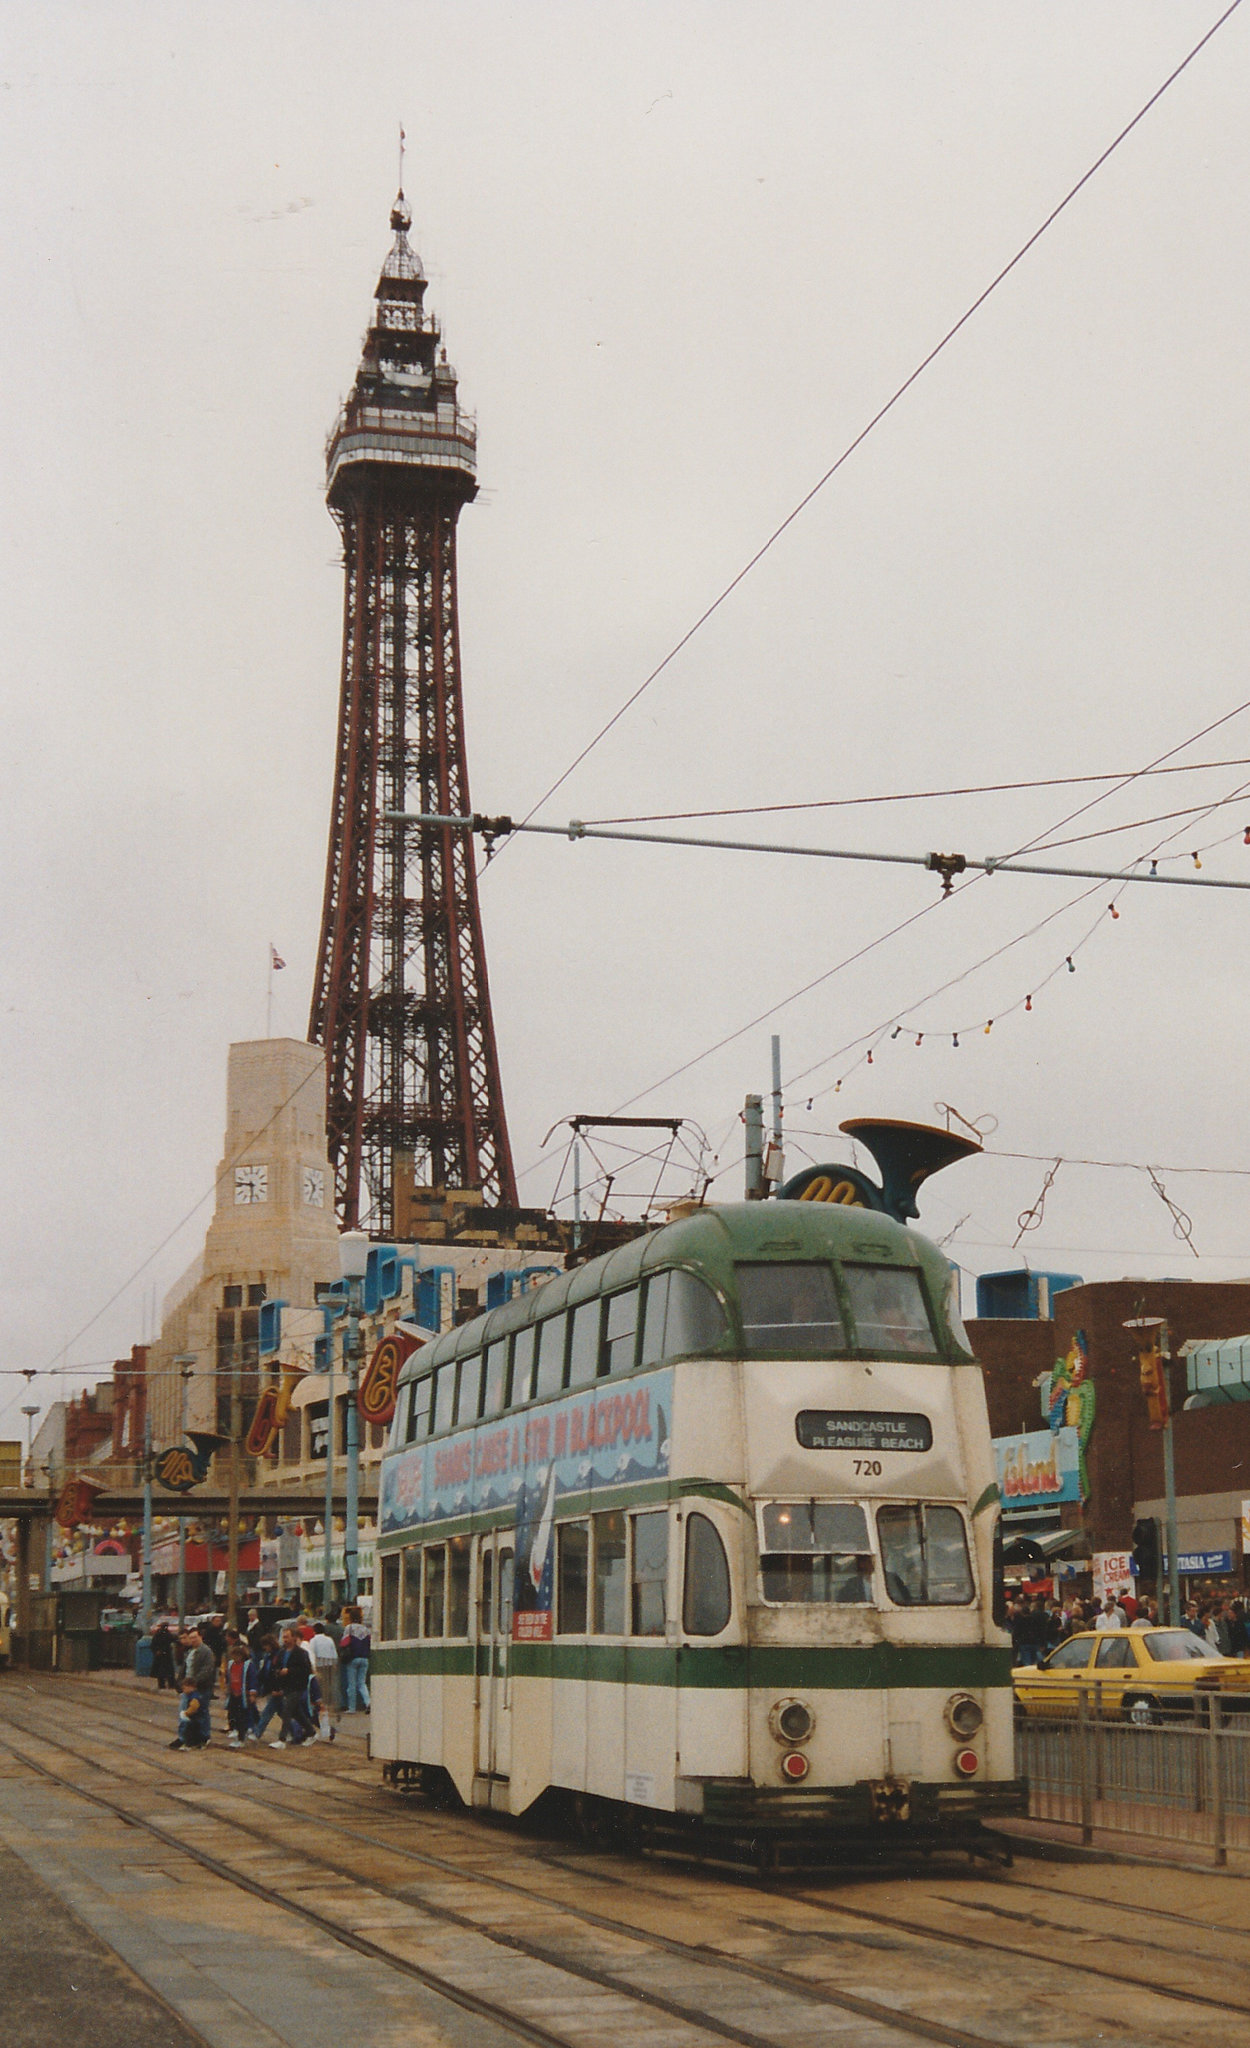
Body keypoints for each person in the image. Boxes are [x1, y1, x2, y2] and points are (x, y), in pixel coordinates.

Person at [271, 1626, 318, 1746]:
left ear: (294, 1638)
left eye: (287, 1637)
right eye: (284, 1637)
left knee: (287, 1710)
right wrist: (278, 1672)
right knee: (296, 1712)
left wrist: (289, 1671)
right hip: (286, 1686)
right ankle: (311, 1732)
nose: (285, 1639)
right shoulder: (281, 1652)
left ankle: (282, 1739)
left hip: (298, 1686)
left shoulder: (301, 1653)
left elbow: (306, 1669)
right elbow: (276, 1666)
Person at [171, 1626, 215, 1749]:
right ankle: (183, 1737)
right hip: (188, 1688)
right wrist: (180, 1683)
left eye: (195, 1637)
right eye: (191, 1638)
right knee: (184, 1712)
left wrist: (194, 1682)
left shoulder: (206, 1652)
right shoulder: (190, 1652)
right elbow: (184, 1669)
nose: (193, 1640)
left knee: (202, 1713)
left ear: (200, 1637)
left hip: (201, 1688)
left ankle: (204, 1737)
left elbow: (207, 1670)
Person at [308, 1622, 341, 1737]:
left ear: (314, 1630)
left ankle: (323, 1706)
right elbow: (334, 1654)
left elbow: (312, 1654)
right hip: (330, 1665)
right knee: (330, 1686)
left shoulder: (314, 1640)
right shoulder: (329, 1639)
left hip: (320, 1666)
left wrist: (314, 1669)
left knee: (319, 1690)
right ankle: (332, 1703)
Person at [223, 1638, 257, 1748]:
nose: (235, 1658)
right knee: (233, 1715)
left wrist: (252, 1693)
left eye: (238, 1656)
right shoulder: (230, 1664)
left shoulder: (248, 1665)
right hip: (233, 1694)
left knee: (242, 1717)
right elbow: (228, 1678)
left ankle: (242, 1738)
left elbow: (252, 1679)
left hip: (243, 1696)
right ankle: (236, 1732)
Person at [339, 1606, 371, 1712]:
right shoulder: (366, 1629)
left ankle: (352, 1708)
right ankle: (368, 1702)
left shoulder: (349, 1628)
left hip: (352, 1658)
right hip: (365, 1658)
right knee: (362, 1683)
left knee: (351, 1685)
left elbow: (344, 1642)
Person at [150, 1620, 177, 1692]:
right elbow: (173, 1639)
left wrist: (156, 1651)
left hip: (160, 1656)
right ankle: (171, 1684)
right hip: (166, 1655)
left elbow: (152, 1645)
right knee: (169, 1671)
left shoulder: (157, 1634)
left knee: (161, 1671)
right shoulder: (167, 1634)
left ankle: (162, 1684)